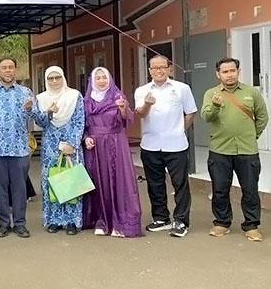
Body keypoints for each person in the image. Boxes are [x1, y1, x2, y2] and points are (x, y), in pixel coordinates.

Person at [201, 57, 269, 241]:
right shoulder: (211, 93)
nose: (229, 75)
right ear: (218, 74)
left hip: (247, 150)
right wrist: (215, 106)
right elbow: (206, 116)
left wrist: (252, 135)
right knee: (220, 189)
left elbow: (263, 116)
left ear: (239, 71)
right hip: (220, 149)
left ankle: (251, 225)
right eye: (225, 72)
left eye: (232, 71)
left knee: (250, 189)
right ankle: (222, 223)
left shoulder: (251, 92)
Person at [134, 55, 197, 238]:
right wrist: (147, 104)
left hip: (176, 144)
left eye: (162, 67)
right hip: (150, 144)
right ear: (149, 71)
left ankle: (181, 220)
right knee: (155, 184)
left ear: (170, 68)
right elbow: (140, 114)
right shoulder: (142, 90)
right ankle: (161, 218)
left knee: (180, 184)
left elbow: (191, 112)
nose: (159, 70)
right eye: (154, 68)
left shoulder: (182, 88)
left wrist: (179, 130)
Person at [82, 67, 142, 238]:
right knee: (99, 182)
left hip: (116, 143)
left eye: (104, 77)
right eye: (98, 78)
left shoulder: (117, 96)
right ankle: (102, 221)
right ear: (93, 81)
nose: (102, 81)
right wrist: (86, 137)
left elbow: (127, 121)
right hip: (95, 147)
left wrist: (122, 108)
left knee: (119, 182)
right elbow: (82, 124)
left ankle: (120, 223)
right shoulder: (87, 101)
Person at [0, 58, 37, 238]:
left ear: (15, 70)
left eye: (11, 67)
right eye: (4, 68)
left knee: (20, 189)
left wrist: (29, 109)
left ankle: (20, 223)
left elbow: (37, 118)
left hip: (19, 149)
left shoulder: (25, 92)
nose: (8, 70)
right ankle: (4, 223)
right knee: (1, 189)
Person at [36, 66, 85, 235]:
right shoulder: (41, 98)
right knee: (52, 179)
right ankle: (54, 220)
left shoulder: (74, 96)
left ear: (63, 78)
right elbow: (40, 123)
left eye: (57, 77)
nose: (55, 81)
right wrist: (48, 113)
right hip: (50, 144)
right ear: (46, 80)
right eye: (51, 78)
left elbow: (80, 121)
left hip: (70, 143)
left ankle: (72, 221)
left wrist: (72, 143)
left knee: (70, 178)